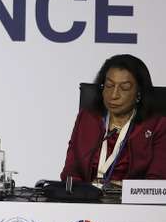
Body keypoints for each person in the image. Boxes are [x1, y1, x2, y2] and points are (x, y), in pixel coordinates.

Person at [60, 54, 166, 185]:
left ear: (139, 92)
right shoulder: (87, 119)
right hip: (87, 201)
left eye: (124, 88)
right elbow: (70, 172)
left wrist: (122, 189)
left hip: (133, 204)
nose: (114, 95)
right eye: (109, 85)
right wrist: (84, 192)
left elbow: (157, 183)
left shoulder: (157, 126)